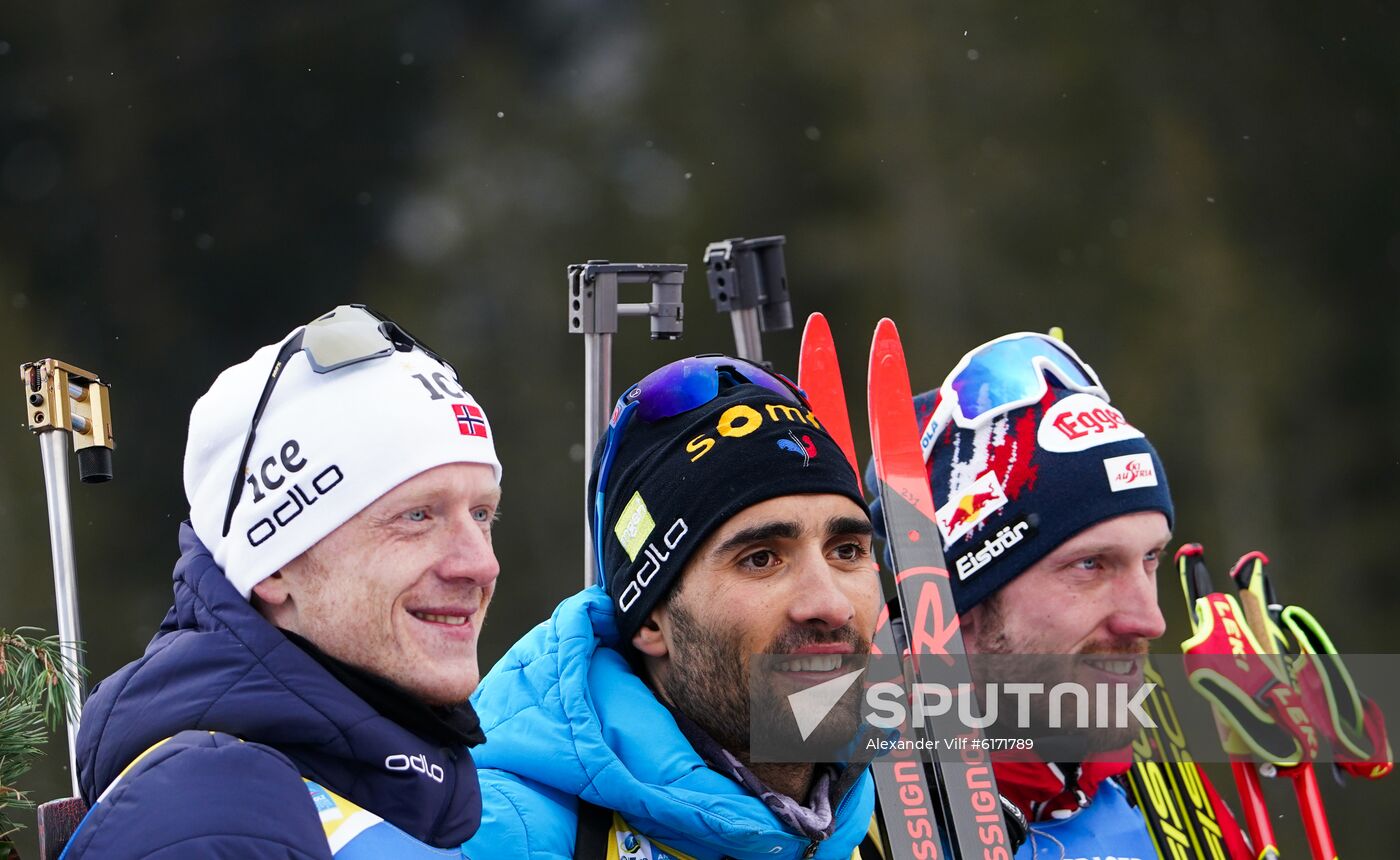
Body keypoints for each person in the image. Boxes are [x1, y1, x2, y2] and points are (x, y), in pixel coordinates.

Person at [65, 305, 503, 858]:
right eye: (417, 516)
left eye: (483, 515)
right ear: (273, 566)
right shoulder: (214, 810)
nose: (479, 564)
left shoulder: (381, 788)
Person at [464, 355, 884, 859]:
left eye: (846, 551)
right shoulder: (491, 836)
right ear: (650, 620)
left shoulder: (889, 827)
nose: (831, 605)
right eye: (762, 559)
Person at [906, 330, 1254, 858]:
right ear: (965, 606)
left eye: (1150, 558)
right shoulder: (847, 821)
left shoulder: (1167, 797)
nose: (1149, 619)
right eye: (1090, 565)